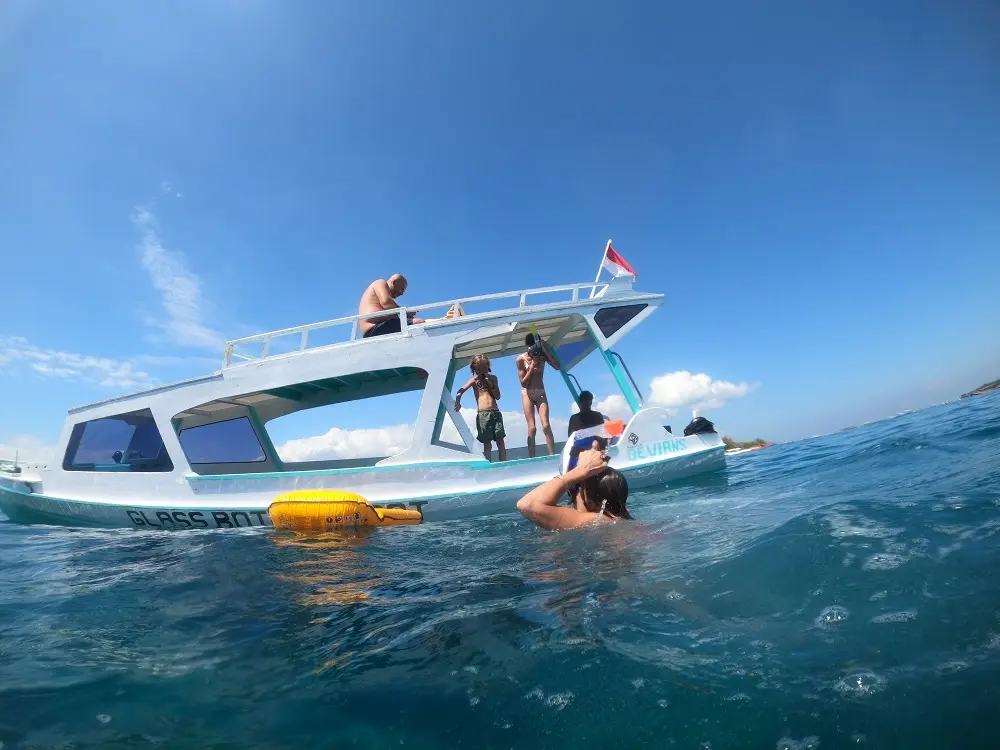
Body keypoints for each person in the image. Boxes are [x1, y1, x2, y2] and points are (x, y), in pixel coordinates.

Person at [516, 441, 632, 531]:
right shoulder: (620, 521)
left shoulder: (597, 520)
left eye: (576, 488)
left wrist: (581, 470)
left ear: (590, 503)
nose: (572, 497)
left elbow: (527, 505)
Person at [455, 354, 507, 462]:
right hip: (483, 414)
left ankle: (504, 463)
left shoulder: (493, 378)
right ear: (474, 369)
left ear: (488, 366)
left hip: (495, 412)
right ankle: (489, 464)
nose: (481, 371)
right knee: (487, 443)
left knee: (500, 440)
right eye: (478, 369)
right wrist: (458, 401)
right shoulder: (474, 381)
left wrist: (490, 384)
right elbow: (460, 391)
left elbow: (498, 396)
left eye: (484, 368)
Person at [516, 333, 560, 457]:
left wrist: (545, 351)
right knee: (532, 428)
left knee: (546, 425)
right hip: (527, 393)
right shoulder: (521, 359)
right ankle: (532, 458)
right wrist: (531, 367)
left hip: (540, 391)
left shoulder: (542, 356)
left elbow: (557, 366)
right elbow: (523, 383)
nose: (535, 351)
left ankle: (552, 456)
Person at [358, 274, 425, 338]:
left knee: (412, 322)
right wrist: (406, 312)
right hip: (374, 328)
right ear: (394, 282)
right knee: (419, 322)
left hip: (377, 328)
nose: (401, 293)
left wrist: (406, 315)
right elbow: (386, 302)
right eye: (402, 289)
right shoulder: (380, 282)